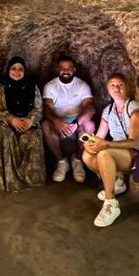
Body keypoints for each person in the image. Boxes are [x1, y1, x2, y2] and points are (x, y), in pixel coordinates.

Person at [82, 73, 139, 227]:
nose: (116, 88)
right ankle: (117, 181)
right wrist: (89, 143)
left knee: (104, 152)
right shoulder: (108, 111)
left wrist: (106, 145)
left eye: (120, 85)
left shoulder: (135, 109)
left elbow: (133, 141)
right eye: (113, 85)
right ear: (108, 89)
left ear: (126, 88)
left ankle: (111, 203)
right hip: (120, 153)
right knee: (87, 155)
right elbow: (99, 136)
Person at [0, 56, 46, 192]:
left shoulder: (32, 86)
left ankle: (32, 180)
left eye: (20, 69)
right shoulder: (1, 88)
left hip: (28, 123)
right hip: (8, 124)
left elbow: (39, 108)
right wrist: (11, 119)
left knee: (34, 136)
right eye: (13, 68)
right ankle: (8, 180)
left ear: (25, 71)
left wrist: (30, 120)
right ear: (8, 70)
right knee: (4, 133)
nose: (17, 72)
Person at [41, 54, 95, 183]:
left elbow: (90, 108)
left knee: (90, 125)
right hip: (59, 123)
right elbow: (46, 108)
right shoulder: (51, 86)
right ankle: (61, 161)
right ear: (57, 69)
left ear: (74, 70)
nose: (65, 71)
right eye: (62, 68)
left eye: (69, 68)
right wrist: (58, 121)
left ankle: (78, 160)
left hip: (77, 122)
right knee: (45, 125)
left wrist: (76, 124)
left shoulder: (82, 85)